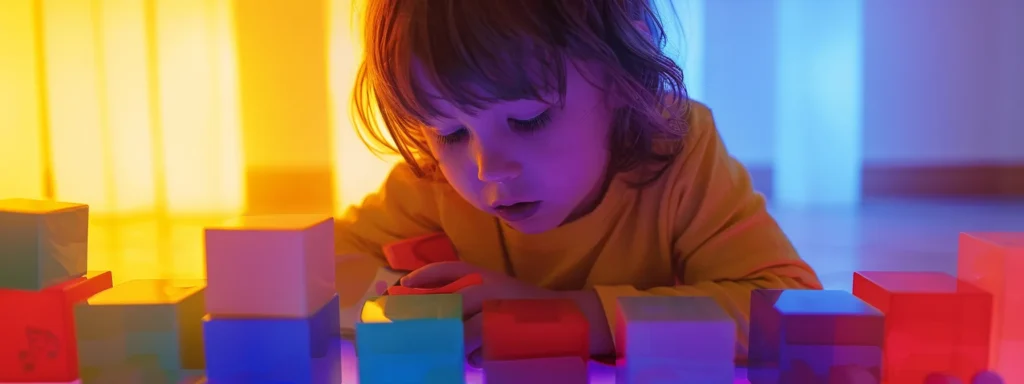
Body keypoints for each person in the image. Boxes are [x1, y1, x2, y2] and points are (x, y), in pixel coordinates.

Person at [334, 0, 822, 367]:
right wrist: (424, 304)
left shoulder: (677, 151)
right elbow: (325, 262)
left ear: (621, 78)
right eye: (450, 132)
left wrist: (575, 317)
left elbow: (788, 306)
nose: (488, 169)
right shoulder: (433, 181)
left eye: (528, 119)